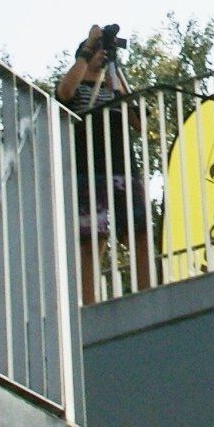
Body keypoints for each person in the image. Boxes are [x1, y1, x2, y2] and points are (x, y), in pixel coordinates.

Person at [57, 22, 153, 301]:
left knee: (139, 232)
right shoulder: (76, 84)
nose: (102, 55)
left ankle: (148, 292)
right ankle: (89, 302)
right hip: (89, 172)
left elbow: (140, 124)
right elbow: (64, 93)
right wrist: (87, 50)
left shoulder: (115, 85)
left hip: (123, 169)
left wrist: (118, 87)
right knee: (91, 240)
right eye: (98, 51)